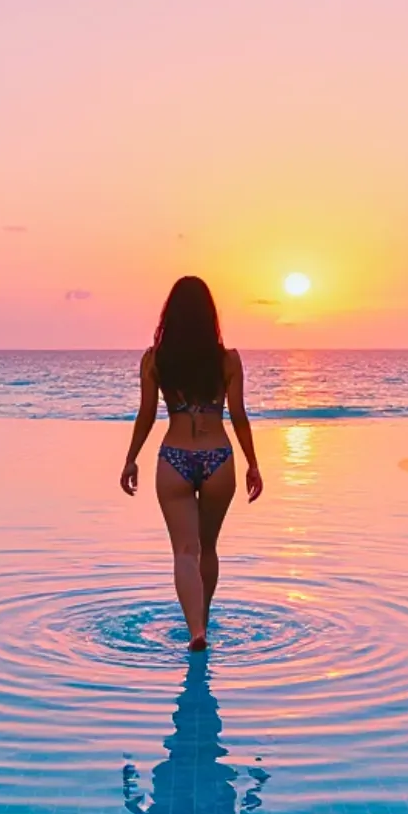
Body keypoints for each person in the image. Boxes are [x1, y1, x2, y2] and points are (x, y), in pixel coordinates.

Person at [121, 276, 261, 650]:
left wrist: (131, 459)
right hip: (218, 457)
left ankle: (195, 629)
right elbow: (240, 417)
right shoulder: (228, 360)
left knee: (185, 550)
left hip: (175, 458)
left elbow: (146, 414)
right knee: (209, 547)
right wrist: (253, 464)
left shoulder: (155, 360)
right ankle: (204, 623)